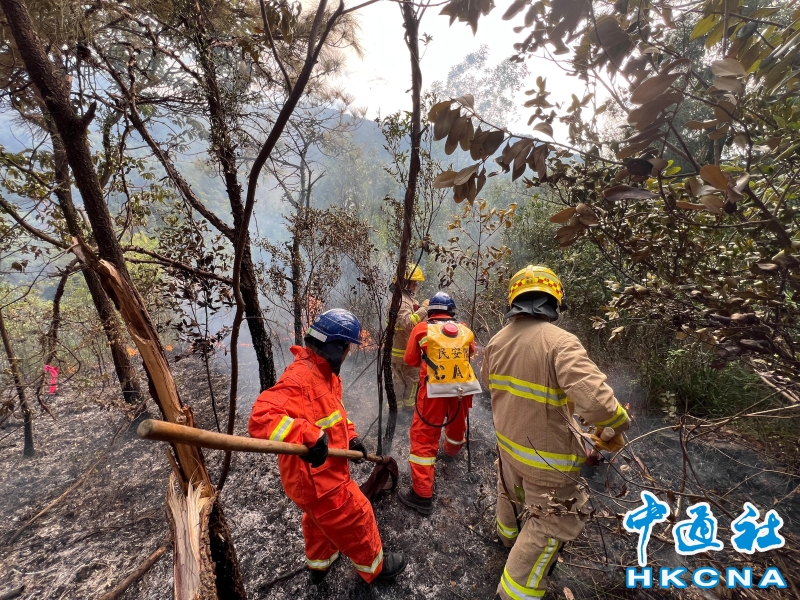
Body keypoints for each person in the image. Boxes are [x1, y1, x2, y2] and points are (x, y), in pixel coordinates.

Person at [481, 266, 630, 600]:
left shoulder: (496, 341)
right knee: (551, 524)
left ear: (515, 300)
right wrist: (619, 422)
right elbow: (600, 404)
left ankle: (507, 539)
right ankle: (514, 593)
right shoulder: (560, 343)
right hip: (548, 463)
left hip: (508, 448)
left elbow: (489, 386)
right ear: (553, 301)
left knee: (508, 491)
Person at [248, 309, 407, 585]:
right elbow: (260, 418)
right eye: (347, 348)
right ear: (337, 347)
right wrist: (306, 434)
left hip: (313, 481)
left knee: (317, 521)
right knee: (357, 515)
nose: (348, 354)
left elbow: (334, 417)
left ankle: (320, 565)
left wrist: (351, 437)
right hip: (318, 482)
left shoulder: (326, 376)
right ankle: (375, 569)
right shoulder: (300, 379)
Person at [397, 292, 480, 516]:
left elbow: (410, 360)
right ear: (452, 312)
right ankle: (451, 452)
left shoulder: (421, 329)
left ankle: (422, 495)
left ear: (431, 311)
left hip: (434, 391)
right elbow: (470, 352)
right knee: (457, 425)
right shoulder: (465, 329)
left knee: (424, 438)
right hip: (463, 389)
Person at [388, 264, 429, 411]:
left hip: (401, 352)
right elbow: (408, 323)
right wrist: (424, 309)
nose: (415, 285)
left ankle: (395, 413)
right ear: (404, 283)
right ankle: (407, 412)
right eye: (413, 282)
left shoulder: (403, 299)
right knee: (411, 383)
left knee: (398, 385)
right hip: (405, 354)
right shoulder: (402, 301)